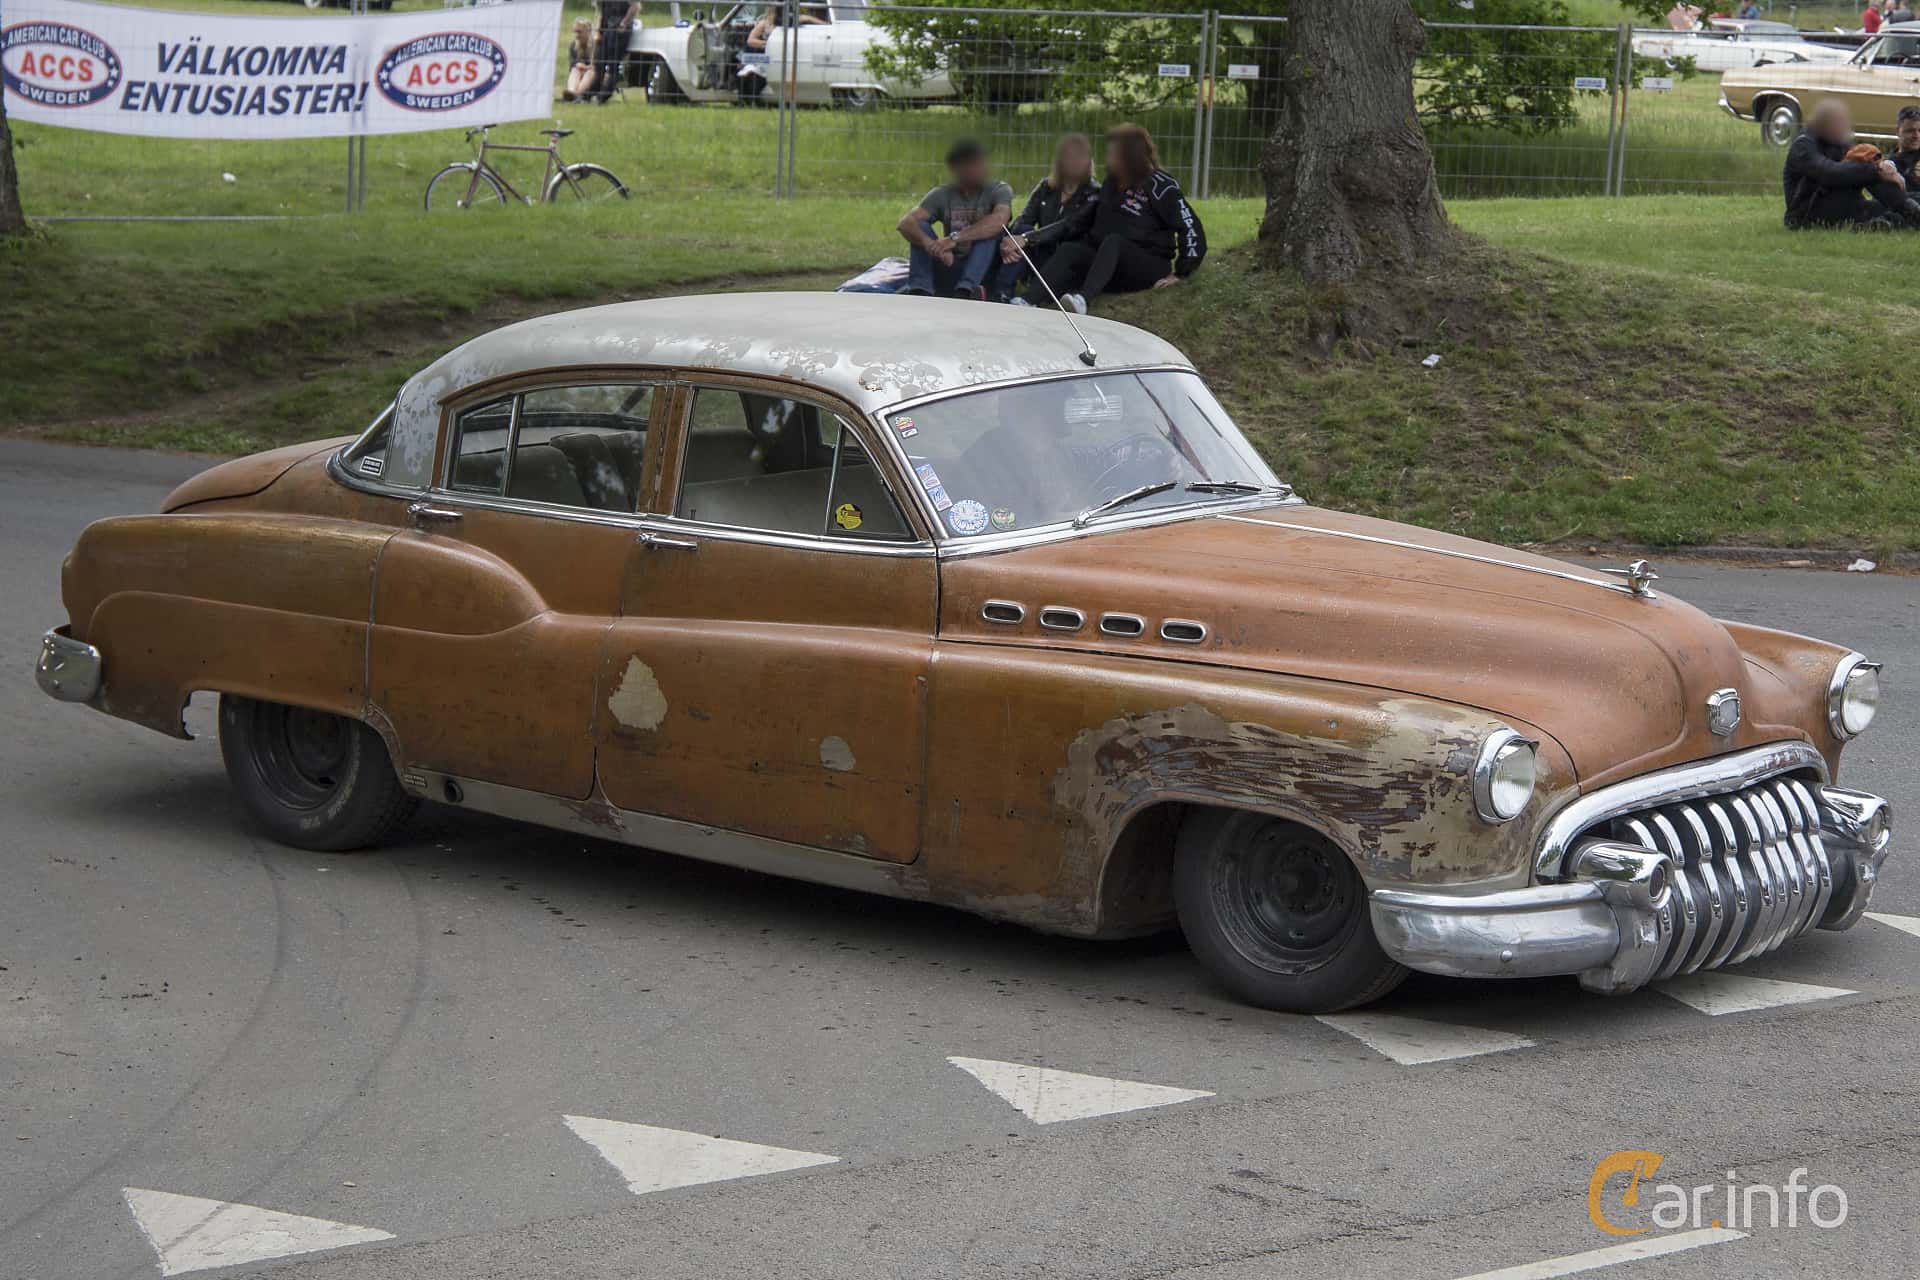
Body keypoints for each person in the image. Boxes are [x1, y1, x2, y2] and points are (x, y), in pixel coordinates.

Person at [1026, 123, 1207, 315]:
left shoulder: (1160, 186)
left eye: (1112, 153)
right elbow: (1083, 220)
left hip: (1147, 265)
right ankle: (1027, 300)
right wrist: (1033, 237)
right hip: (1108, 265)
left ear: (1129, 156)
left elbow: (1190, 226)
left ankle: (1082, 300)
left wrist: (1181, 272)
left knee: (1114, 242)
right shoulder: (1112, 181)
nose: (1107, 159)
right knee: (1070, 250)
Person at [897, 138, 1014, 300]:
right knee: (919, 226)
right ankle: (920, 290)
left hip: (987, 267)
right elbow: (905, 223)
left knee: (990, 230)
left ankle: (967, 290)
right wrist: (932, 245)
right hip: (952, 262)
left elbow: (999, 220)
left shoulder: (999, 190)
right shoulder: (942, 194)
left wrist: (955, 239)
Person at [991, 133, 1097, 304]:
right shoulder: (1046, 187)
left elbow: (1068, 226)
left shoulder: (1094, 193)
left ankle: (1024, 295)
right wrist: (1009, 241)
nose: (1074, 162)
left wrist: (1026, 239)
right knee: (1020, 229)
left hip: (1065, 260)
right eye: (1069, 157)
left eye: (1080, 157)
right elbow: (1024, 219)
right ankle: (1003, 292)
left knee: (1023, 235)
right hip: (1040, 250)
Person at [1782, 99, 1912, 230]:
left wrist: (1890, 182)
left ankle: (1909, 210)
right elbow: (1829, 173)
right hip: (1806, 215)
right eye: (1840, 122)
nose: (1845, 126)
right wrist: (1876, 171)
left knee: (1893, 211)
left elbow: (1859, 172)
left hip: (1841, 205)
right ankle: (1899, 214)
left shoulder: (1837, 143)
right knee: (1867, 173)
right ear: (1823, 123)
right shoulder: (1803, 146)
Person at [588, 0, 641, 104]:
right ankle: (589, 94)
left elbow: (635, 6)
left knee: (613, 65)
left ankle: (603, 97)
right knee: (599, 64)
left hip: (619, 30)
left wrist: (624, 23)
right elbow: (603, 12)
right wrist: (599, 31)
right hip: (607, 29)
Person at [561, 18, 597, 104]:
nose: (577, 35)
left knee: (590, 72)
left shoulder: (596, 45)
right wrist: (579, 66)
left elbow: (599, 66)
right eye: (575, 32)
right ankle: (571, 92)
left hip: (594, 75)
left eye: (579, 32)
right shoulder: (573, 45)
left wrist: (585, 67)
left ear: (588, 32)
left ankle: (576, 95)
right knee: (575, 70)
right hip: (580, 73)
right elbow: (572, 65)